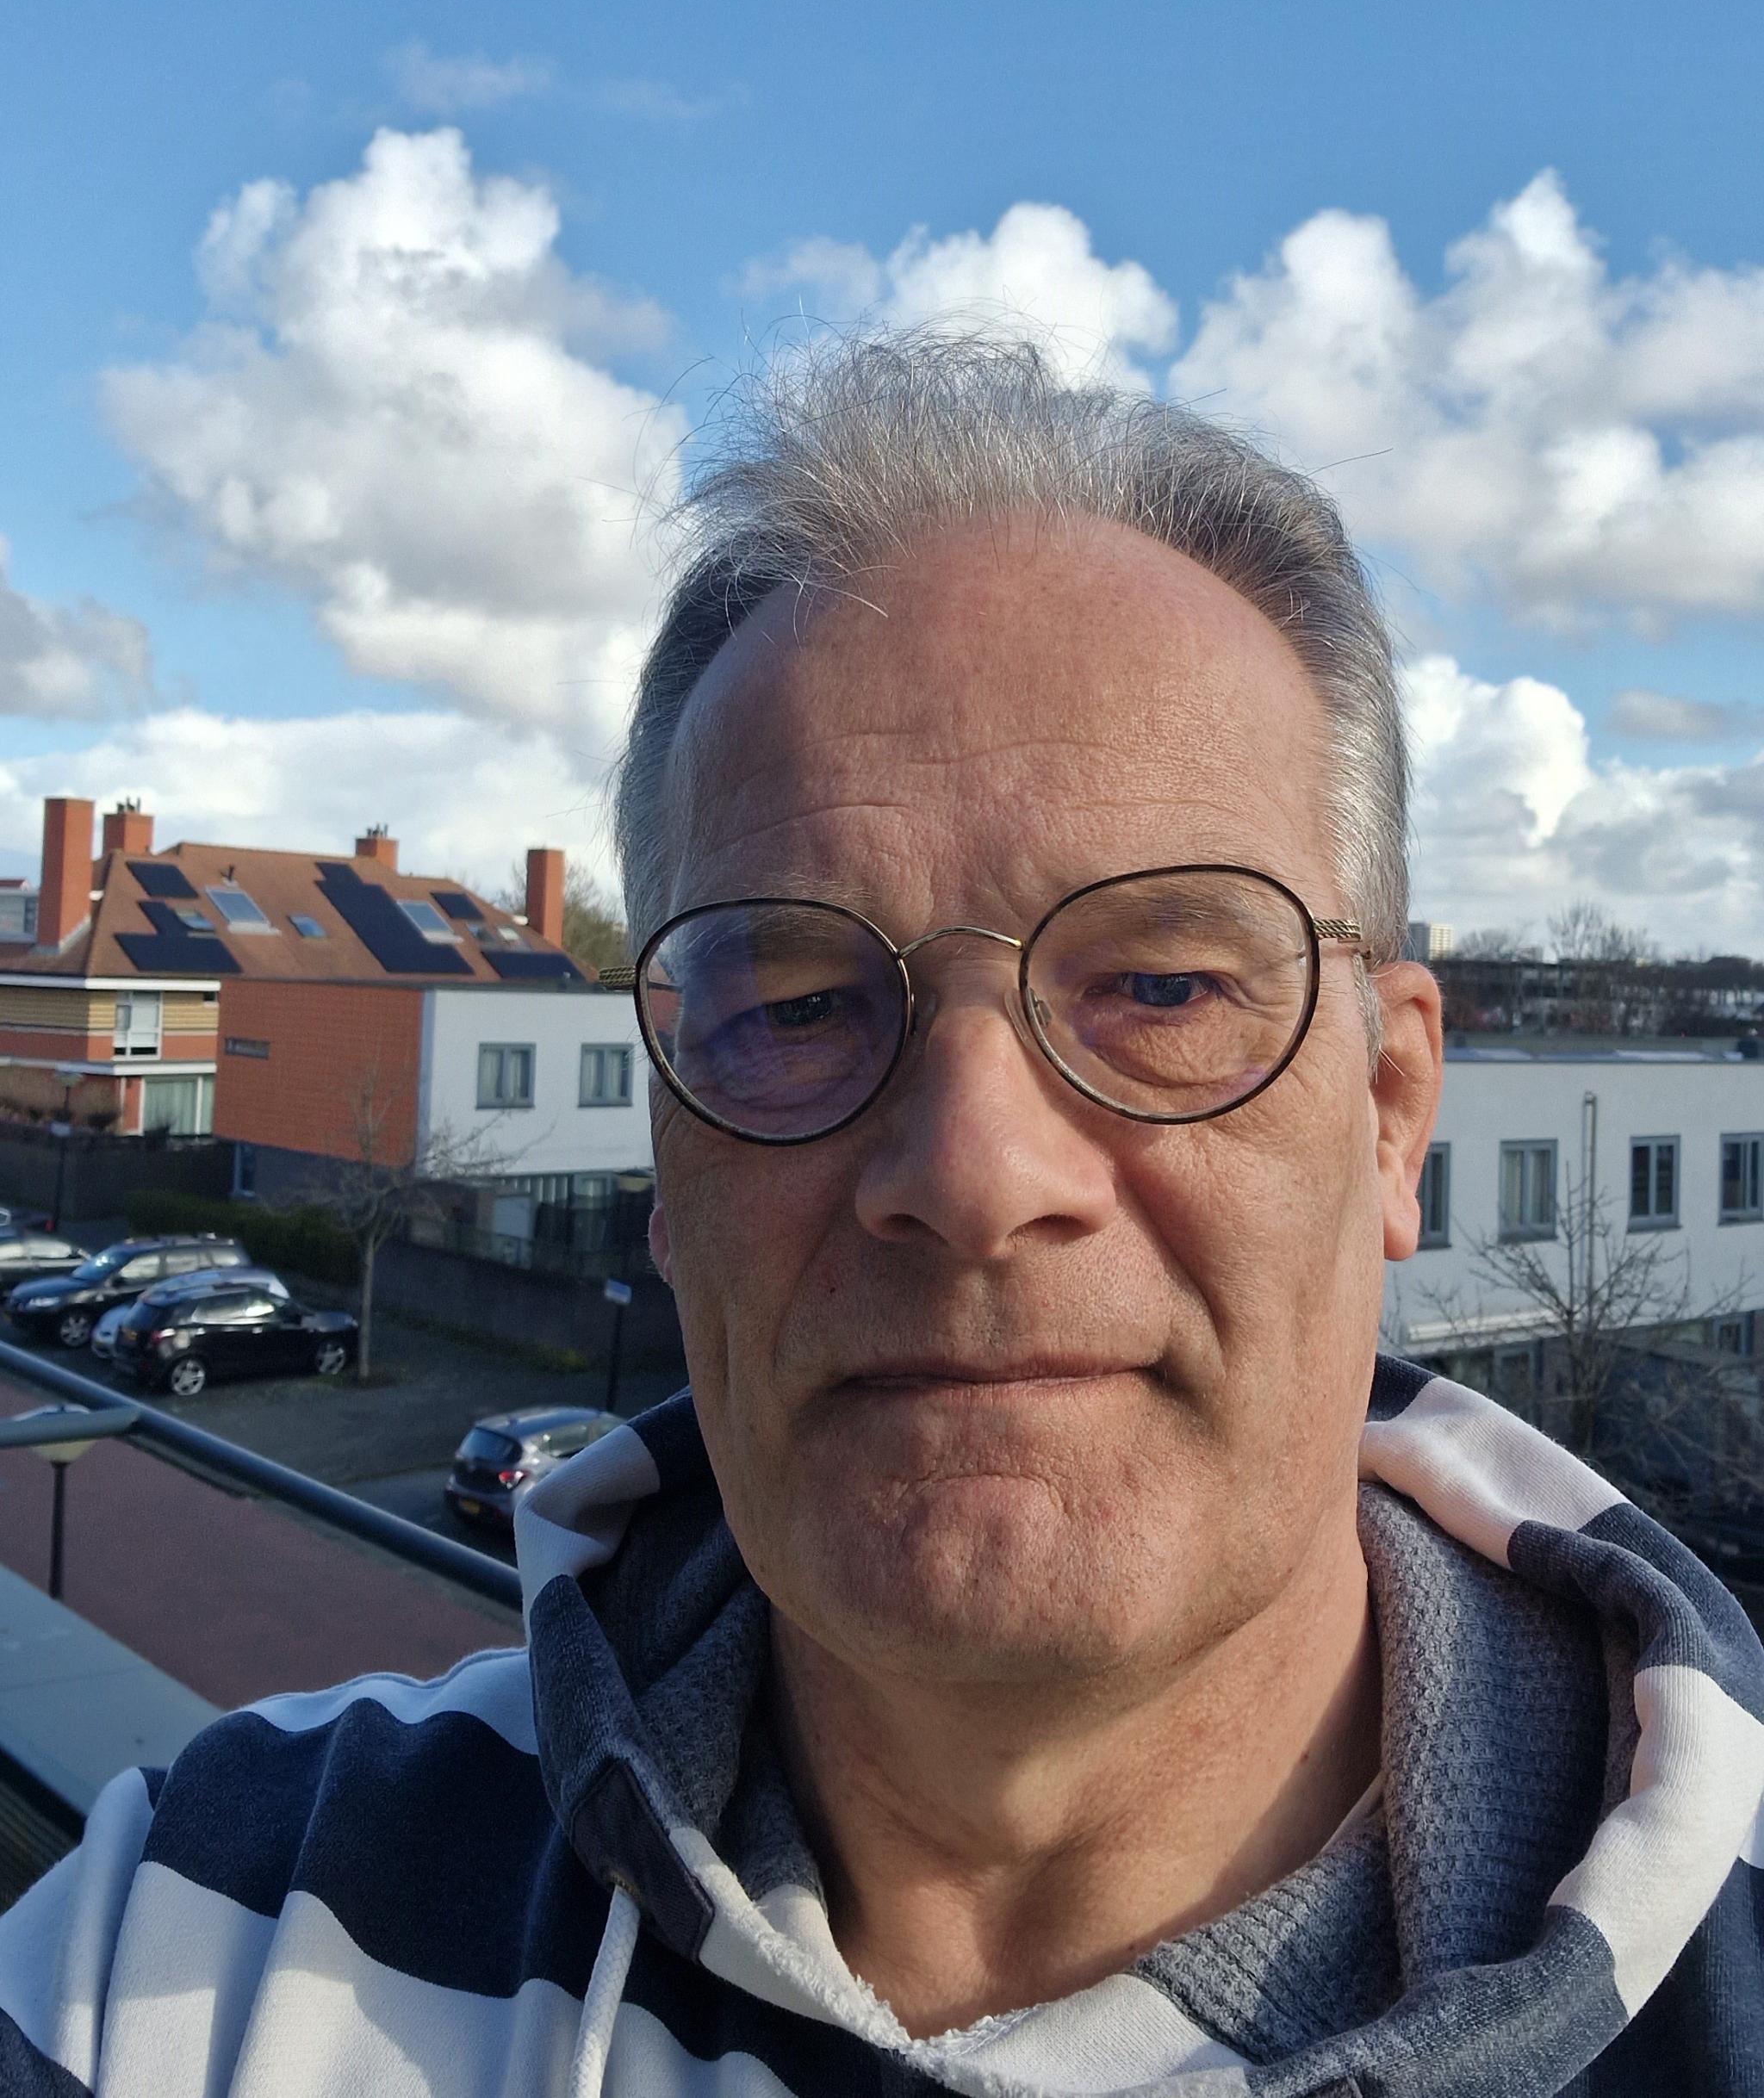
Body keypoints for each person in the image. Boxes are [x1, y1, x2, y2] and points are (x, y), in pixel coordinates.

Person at [3, 335, 1761, 2096]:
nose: (976, 1172)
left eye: (1158, 982)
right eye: (790, 1002)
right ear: (670, 1169)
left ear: (1390, 1110)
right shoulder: (194, 1938)